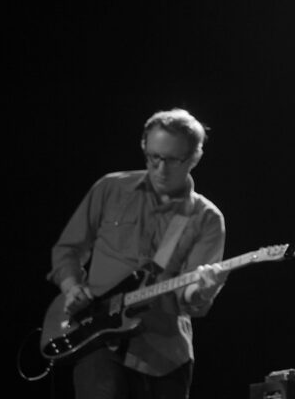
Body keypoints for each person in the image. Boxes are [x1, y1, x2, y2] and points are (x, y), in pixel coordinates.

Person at [47, 108, 227, 399]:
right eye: (153, 156)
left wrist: (201, 290)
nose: (160, 168)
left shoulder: (206, 218)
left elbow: (190, 300)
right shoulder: (110, 188)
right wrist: (71, 287)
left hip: (165, 355)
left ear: (194, 157)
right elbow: (68, 249)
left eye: (172, 160)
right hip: (98, 343)